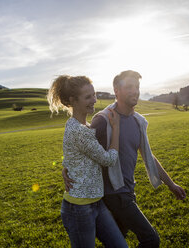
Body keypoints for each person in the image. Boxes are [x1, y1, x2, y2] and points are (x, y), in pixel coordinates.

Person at [63, 70, 186, 248]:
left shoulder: (138, 121)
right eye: (129, 87)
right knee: (151, 240)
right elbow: (81, 150)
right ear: (116, 91)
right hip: (114, 195)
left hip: (128, 190)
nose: (134, 91)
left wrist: (171, 184)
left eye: (137, 87)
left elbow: (147, 155)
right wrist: (67, 168)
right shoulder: (104, 120)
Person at [47, 75, 128, 248]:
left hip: (96, 203)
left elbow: (72, 153)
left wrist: (65, 167)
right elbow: (109, 160)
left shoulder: (78, 125)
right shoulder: (79, 131)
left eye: (94, 94)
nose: (94, 100)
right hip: (79, 209)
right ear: (72, 101)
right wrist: (116, 128)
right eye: (88, 97)